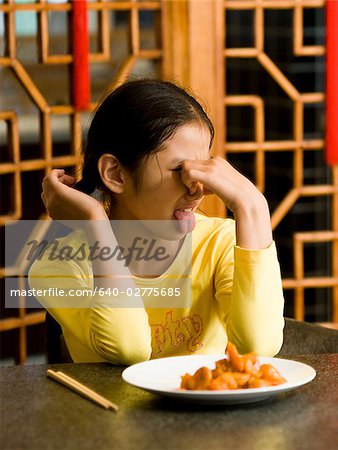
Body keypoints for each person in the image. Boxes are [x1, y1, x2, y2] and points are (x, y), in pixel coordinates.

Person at [29, 79, 284, 364]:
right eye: (179, 170)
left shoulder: (221, 243)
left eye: (203, 169)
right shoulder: (57, 264)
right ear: (115, 174)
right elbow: (129, 350)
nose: (196, 187)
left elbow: (258, 347)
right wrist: (95, 221)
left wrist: (252, 206)